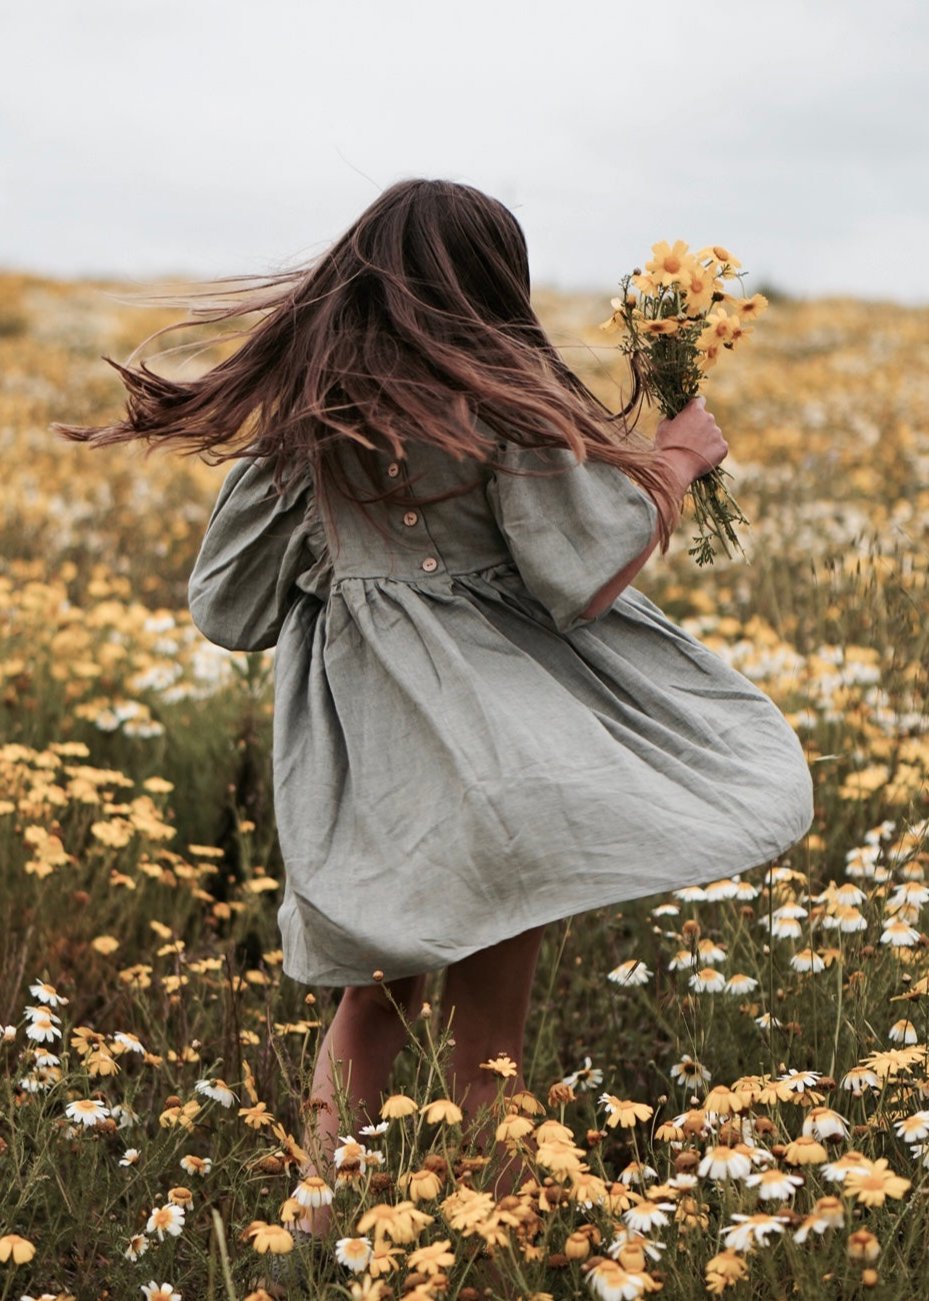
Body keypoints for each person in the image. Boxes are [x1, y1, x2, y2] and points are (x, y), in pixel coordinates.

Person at [55, 177, 814, 1240]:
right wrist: (676, 463)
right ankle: (491, 1248)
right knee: (486, 1043)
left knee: (372, 999)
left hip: (376, 773)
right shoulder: (499, 408)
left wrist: (343, 560)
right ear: (492, 287)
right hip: (505, 762)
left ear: (357, 285)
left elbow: (227, 607)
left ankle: (312, 1234)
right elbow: (579, 575)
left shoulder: (302, 436)